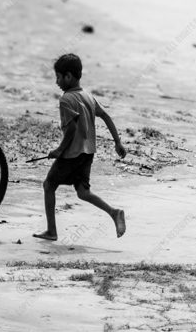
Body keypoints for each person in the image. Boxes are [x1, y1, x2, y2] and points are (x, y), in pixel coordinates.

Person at [33, 53, 127, 241]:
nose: (56, 82)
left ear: (68, 76)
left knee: (49, 185)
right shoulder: (88, 96)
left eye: (58, 77)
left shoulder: (66, 99)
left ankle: (52, 231)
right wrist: (117, 141)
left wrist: (59, 150)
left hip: (71, 154)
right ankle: (114, 212)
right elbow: (106, 115)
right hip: (87, 153)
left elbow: (71, 129)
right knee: (83, 192)